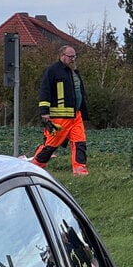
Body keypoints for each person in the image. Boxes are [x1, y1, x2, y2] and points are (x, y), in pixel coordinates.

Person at [31, 45, 90, 175]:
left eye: (74, 56)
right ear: (62, 56)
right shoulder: (52, 71)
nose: (73, 59)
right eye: (70, 57)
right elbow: (45, 91)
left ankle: (80, 170)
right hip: (59, 118)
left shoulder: (73, 72)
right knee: (50, 146)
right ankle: (34, 167)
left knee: (80, 143)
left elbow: (79, 92)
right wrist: (44, 112)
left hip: (76, 116)